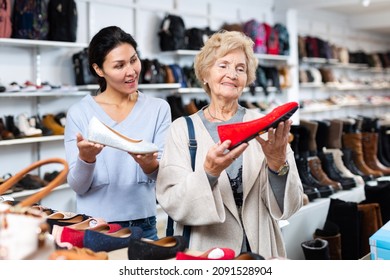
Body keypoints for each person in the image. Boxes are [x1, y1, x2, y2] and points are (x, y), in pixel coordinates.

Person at [156, 30, 303, 258]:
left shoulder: (265, 125)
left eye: (240, 68)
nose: (232, 74)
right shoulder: (183, 130)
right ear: (205, 74)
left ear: (247, 79)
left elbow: (291, 207)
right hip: (208, 251)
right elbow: (172, 202)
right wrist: (209, 173)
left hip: (261, 248)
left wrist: (278, 165)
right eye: (223, 65)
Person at [64, 26, 171, 240]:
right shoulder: (80, 113)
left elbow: (166, 177)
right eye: (119, 65)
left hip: (145, 225)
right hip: (95, 227)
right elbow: (78, 186)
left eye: (133, 60)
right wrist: (86, 159)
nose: (131, 71)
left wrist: (149, 164)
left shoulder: (158, 108)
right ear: (99, 69)